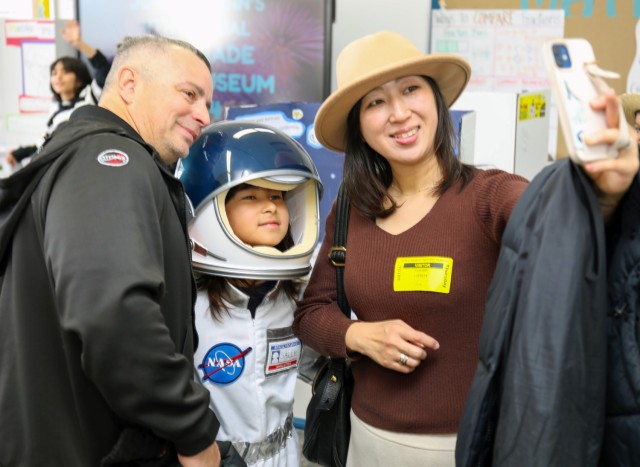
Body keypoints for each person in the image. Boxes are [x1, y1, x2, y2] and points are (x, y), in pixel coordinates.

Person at [292, 30, 639, 466]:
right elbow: (311, 313)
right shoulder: (350, 210)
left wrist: (607, 191)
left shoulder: (491, 196)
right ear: (359, 125)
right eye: (376, 102)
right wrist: (358, 335)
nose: (399, 113)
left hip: (467, 448)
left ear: (436, 100)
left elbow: (566, 228)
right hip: (363, 441)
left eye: (411, 89)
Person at [0, 35, 222, 466]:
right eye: (190, 94)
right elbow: (113, 313)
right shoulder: (110, 158)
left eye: (208, 103)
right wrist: (193, 431)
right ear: (129, 84)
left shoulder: (83, 152)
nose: (203, 115)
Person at [177, 120, 323, 466]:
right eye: (252, 196)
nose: (271, 206)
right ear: (212, 212)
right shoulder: (185, 301)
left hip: (284, 455)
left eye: (277, 196)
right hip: (213, 458)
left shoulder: (299, 294)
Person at [5, 20, 111, 168]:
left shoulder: (90, 95)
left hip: (85, 163)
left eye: (66, 72)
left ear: (79, 80)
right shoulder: (55, 108)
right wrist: (19, 154)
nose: (58, 77)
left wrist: (79, 43)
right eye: (54, 73)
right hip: (57, 166)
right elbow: (44, 144)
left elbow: (104, 69)